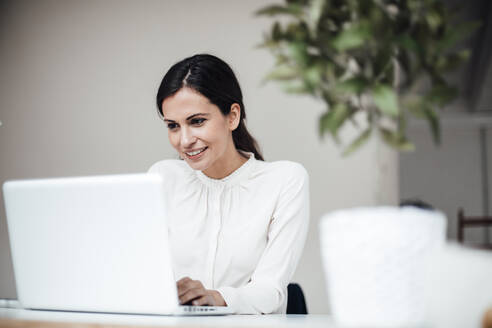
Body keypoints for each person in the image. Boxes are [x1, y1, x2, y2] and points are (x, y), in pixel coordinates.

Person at [148, 54, 309, 314]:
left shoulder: (285, 180)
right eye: (173, 126)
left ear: (232, 116)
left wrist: (215, 297)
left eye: (197, 121)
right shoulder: (163, 177)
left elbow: (271, 293)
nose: (184, 140)